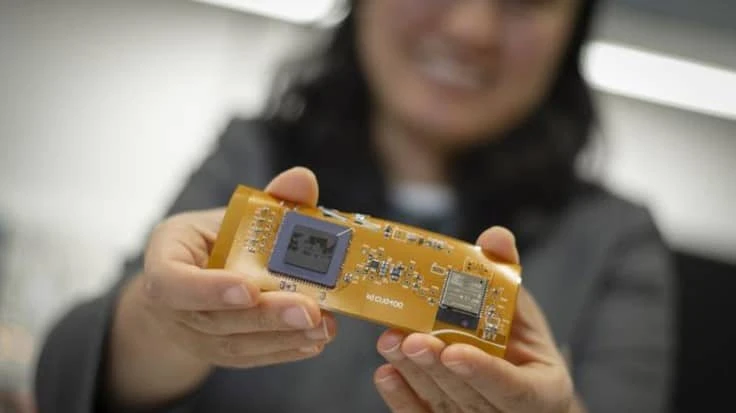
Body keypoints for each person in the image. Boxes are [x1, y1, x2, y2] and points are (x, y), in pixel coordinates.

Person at [35, 0, 675, 412]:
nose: (472, 26)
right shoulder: (255, 160)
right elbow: (63, 379)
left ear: (574, 30)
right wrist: (158, 320)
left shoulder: (615, 241)